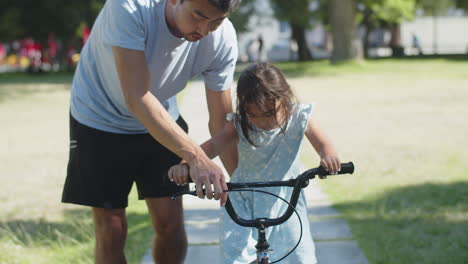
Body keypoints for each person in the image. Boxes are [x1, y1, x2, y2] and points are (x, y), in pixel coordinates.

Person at [61, 0, 242, 263]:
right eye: (198, 16)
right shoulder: (129, 7)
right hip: (99, 119)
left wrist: (241, 184)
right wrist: (198, 158)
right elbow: (136, 97)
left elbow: (220, 122)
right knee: (111, 230)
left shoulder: (223, 38)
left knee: (170, 225)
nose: (203, 30)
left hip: (161, 118)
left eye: (215, 21)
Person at [168, 63, 341, 263]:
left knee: (298, 254)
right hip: (243, 198)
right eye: (253, 115)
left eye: (269, 114)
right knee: (236, 255)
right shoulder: (240, 123)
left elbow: (324, 144)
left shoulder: (299, 117)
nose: (261, 122)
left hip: (285, 197)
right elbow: (211, 147)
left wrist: (328, 156)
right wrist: (186, 163)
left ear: (284, 98)